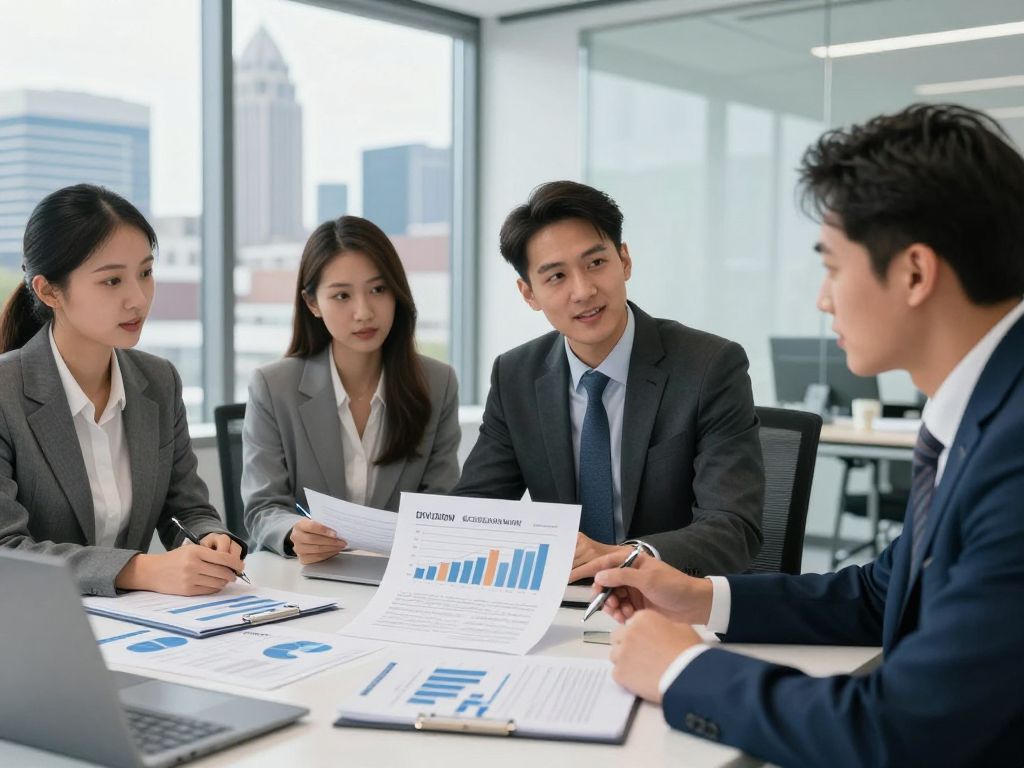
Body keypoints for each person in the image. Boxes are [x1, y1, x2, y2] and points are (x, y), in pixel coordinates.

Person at [591, 103, 1024, 767]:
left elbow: (904, 732)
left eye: (831, 266)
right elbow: (884, 593)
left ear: (914, 272)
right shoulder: (981, 410)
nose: (823, 300)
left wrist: (682, 672)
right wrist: (698, 597)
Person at [453, 180, 764, 582]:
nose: (583, 291)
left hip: (672, 600)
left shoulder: (709, 367)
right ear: (529, 293)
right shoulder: (516, 375)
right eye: (556, 277)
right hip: (563, 602)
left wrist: (627, 557)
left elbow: (733, 527)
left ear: (625, 261)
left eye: (596, 263)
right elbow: (476, 513)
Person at [0, 184, 246, 597]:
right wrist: (140, 570)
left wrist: (210, 539)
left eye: (146, 273)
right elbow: (7, 551)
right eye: (112, 280)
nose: (138, 299)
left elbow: (187, 509)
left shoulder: (159, 381)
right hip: (31, 631)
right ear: (48, 291)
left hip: (136, 628)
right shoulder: (7, 393)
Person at [242, 216, 461, 563]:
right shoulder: (273, 387)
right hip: (302, 577)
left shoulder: (437, 384)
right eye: (342, 295)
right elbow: (263, 507)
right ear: (313, 303)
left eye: (378, 289)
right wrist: (293, 532)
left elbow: (441, 503)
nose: (364, 312)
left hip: (396, 577)